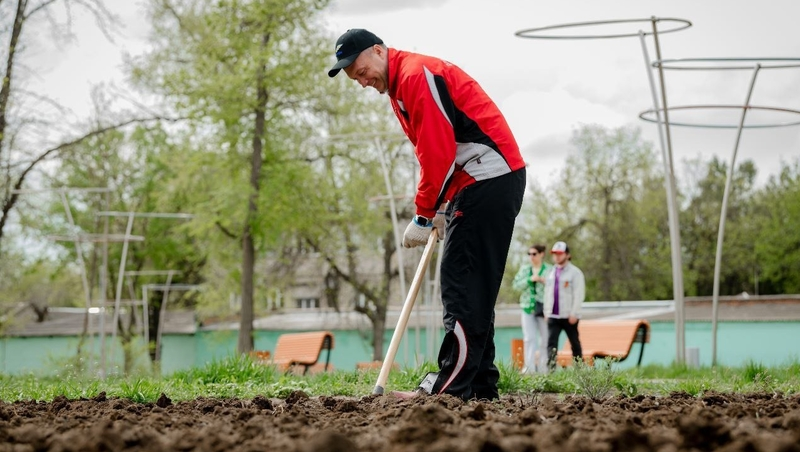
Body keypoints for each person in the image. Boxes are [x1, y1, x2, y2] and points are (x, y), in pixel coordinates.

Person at [328, 29, 526, 400]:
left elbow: (438, 152)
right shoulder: (400, 86)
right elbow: (438, 149)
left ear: (378, 50)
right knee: (473, 287)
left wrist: (423, 214)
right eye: (355, 79)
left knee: (460, 284)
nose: (362, 81)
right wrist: (442, 204)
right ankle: (479, 386)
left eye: (361, 71)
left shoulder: (415, 76)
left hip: (487, 177)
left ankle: (450, 388)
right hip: (480, 181)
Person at [543, 241, 585, 370]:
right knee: (551, 344)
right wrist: (546, 312)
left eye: (560, 254)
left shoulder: (575, 273)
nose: (557, 256)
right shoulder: (550, 272)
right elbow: (547, 293)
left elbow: (578, 294)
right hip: (553, 315)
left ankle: (579, 371)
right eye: (555, 254)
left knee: (574, 343)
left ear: (567, 255)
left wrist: (574, 313)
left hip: (568, 315)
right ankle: (550, 371)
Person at [512, 244, 550, 374]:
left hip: (544, 309)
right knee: (529, 338)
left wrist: (544, 281)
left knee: (545, 339)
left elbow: (555, 287)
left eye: (534, 254)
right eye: (529, 254)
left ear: (541, 254)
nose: (531, 257)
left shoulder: (549, 269)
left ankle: (544, 369)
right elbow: (515, 285)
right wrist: (530, 280)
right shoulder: (525, 269)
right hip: (527, 308)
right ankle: (529, 368)